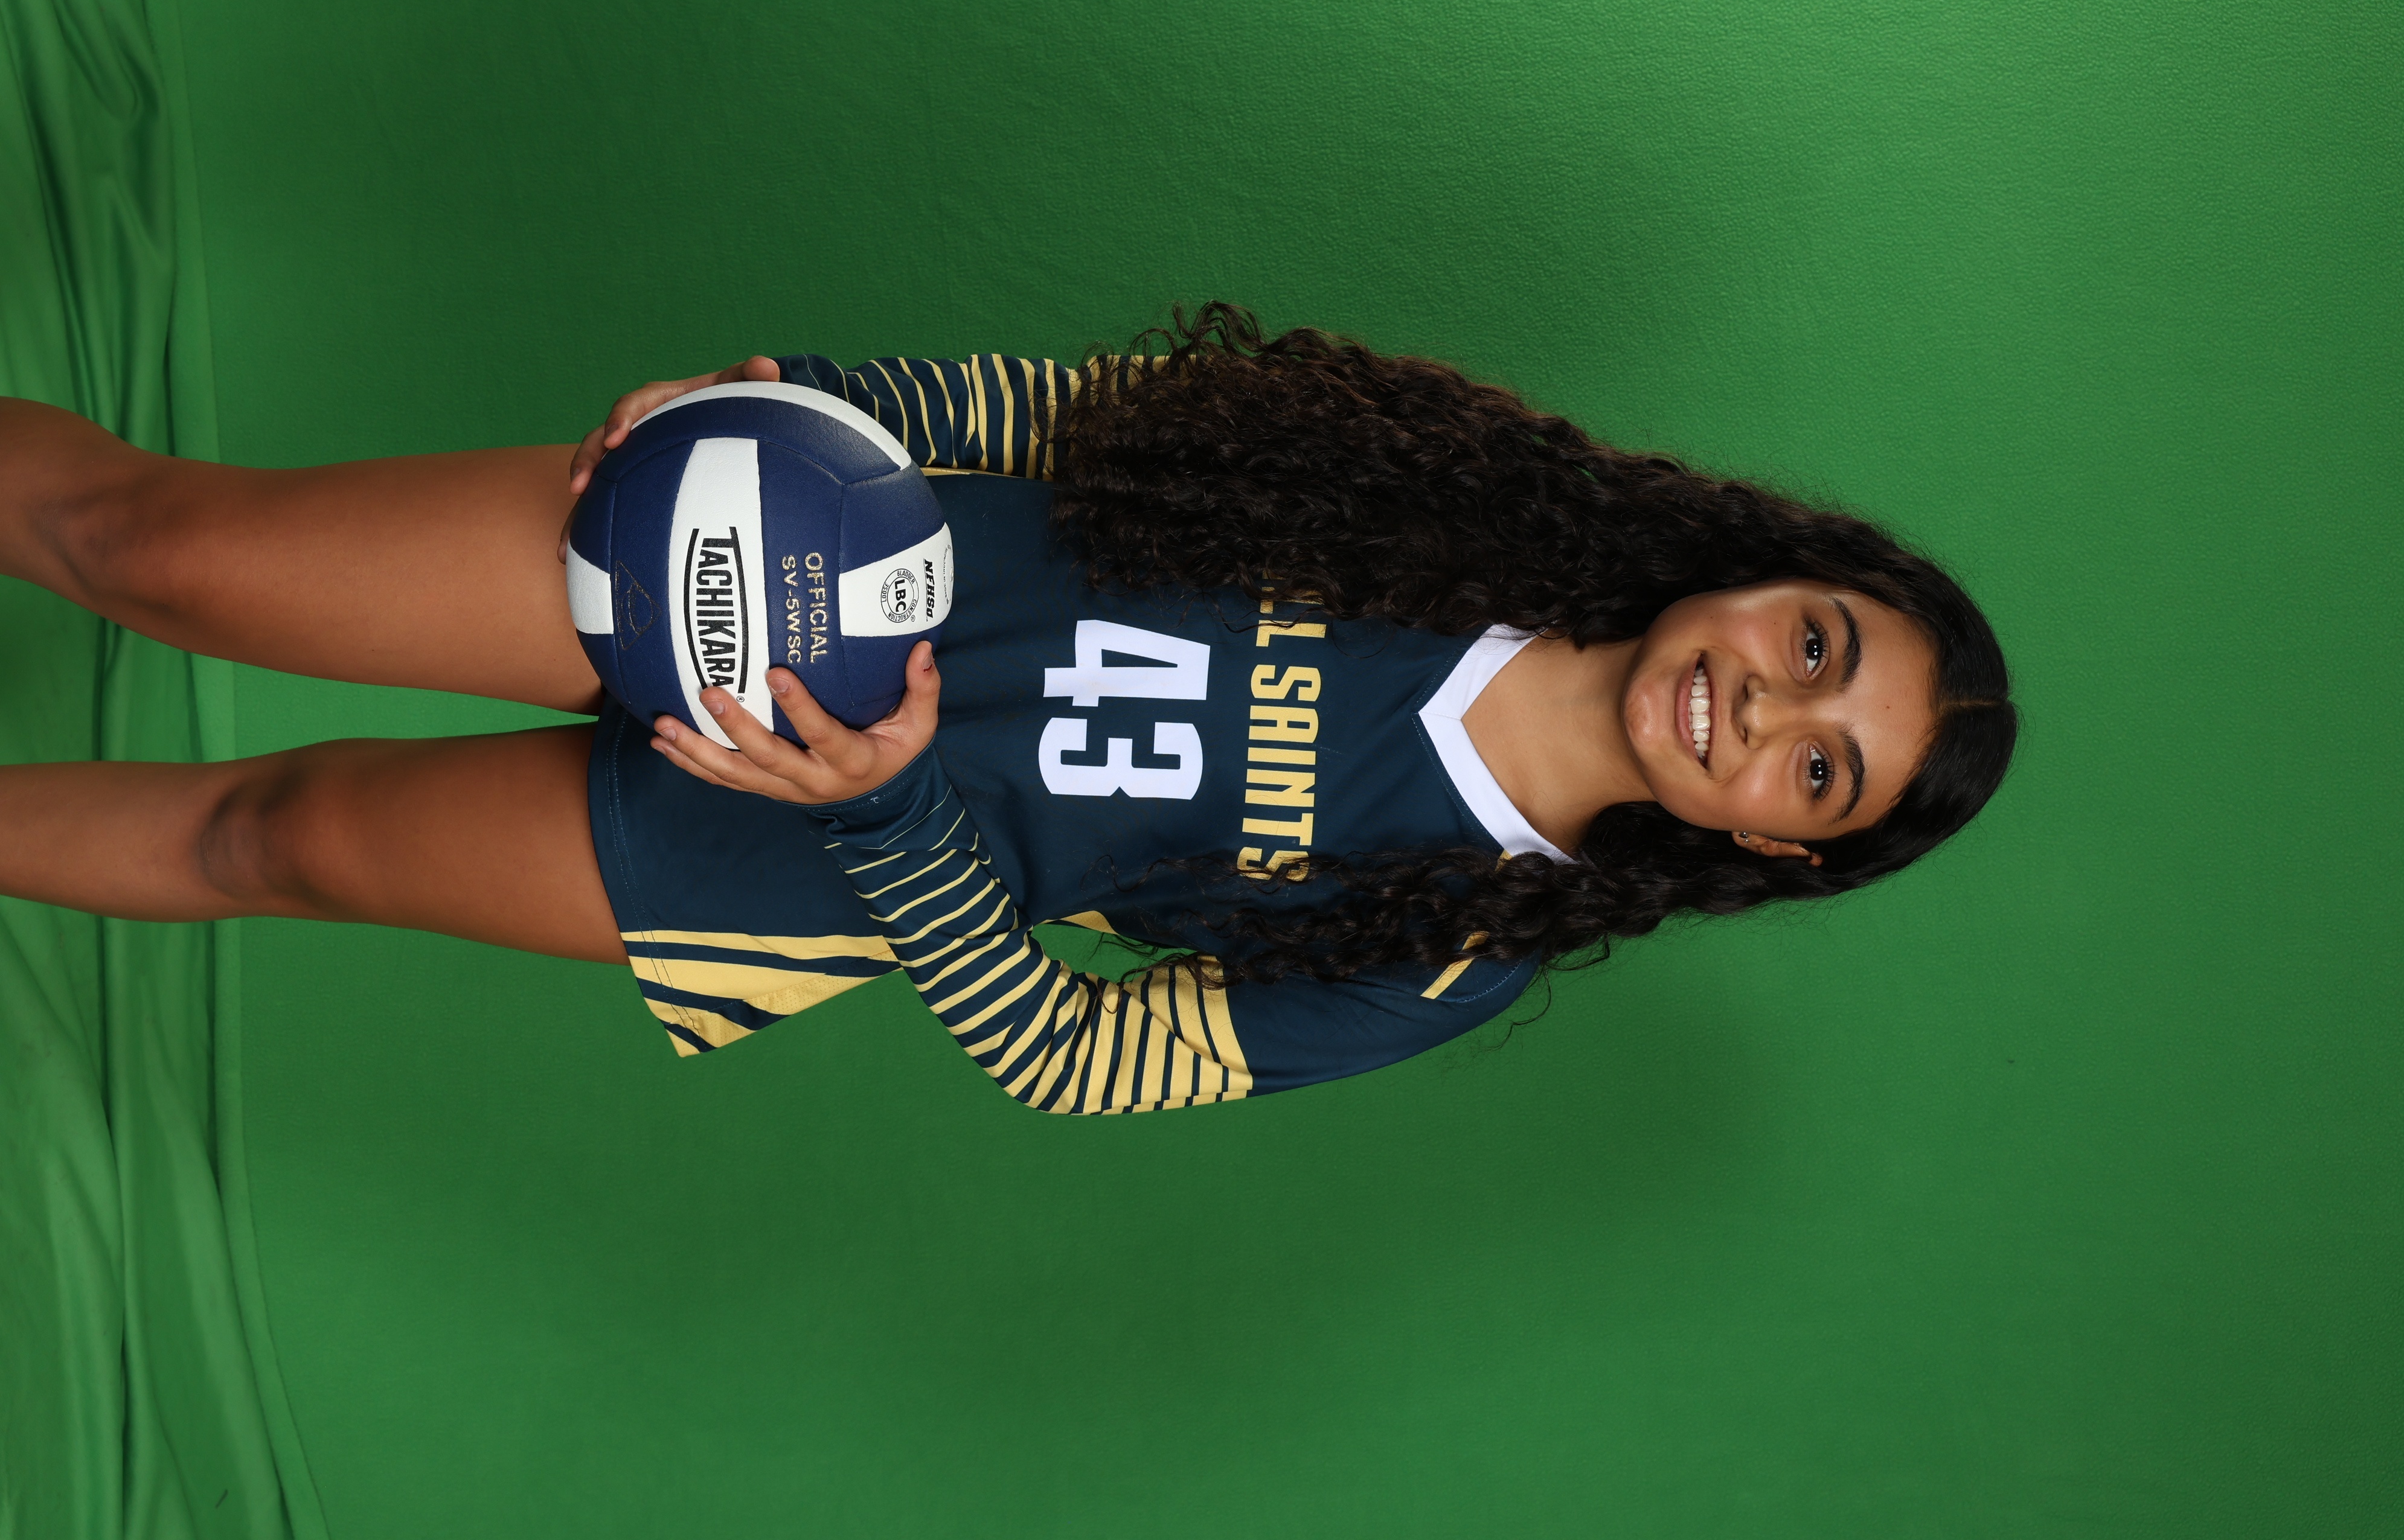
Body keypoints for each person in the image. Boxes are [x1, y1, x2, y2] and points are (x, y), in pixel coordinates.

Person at [0, 306, 2015, 1113]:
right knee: (169, 553)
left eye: (1816, 768)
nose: (1763, 707)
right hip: (765, 563)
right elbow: (1096, 417)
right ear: (1774, 569)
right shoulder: (1479, 503)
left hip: (791, 854)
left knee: (272, 835)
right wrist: (802, 403)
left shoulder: (1460, 953)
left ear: (1775, 842)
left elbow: (1080, 1053)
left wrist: (881, 810)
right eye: (1815, 644)